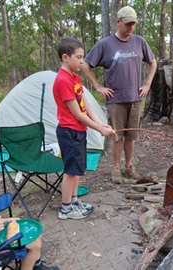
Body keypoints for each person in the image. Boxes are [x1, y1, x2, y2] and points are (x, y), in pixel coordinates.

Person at [82, 5, 157, 183]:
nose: (131, 28)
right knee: (117, 135)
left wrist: (147, 84)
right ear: (118, 22)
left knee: (131, 136)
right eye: (128, 24)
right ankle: (115, 169)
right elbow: (85, 64)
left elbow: (153, 62)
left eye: (133, 24)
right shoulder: (105, 44)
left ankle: (129, 167)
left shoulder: (139, 42)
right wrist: (98, 86)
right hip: (115, 99)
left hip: (135, 98)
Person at [53, 37, 115, 220]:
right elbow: (77, 114)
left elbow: (85, 104)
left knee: (77, 169)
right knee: (70, 171)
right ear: (66, 57)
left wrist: (100, 123)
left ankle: (73, 201)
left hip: (78, 131)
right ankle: (65, 208)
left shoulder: (75, 77)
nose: (82, 61)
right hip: (69, 131)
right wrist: (98, 129)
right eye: (79, 57)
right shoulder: (63, 80)